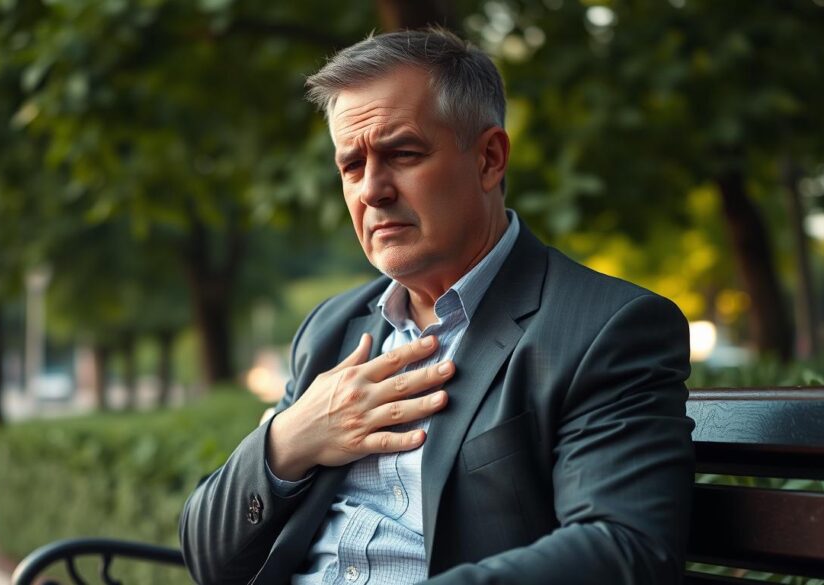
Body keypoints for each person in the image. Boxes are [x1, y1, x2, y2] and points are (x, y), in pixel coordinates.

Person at [180, 28, 694, 585]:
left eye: (402, 154)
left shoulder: (604, 329)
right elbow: (209, 560)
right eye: (351, 166)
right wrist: (287, 440)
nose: (372, 190)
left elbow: (625, 548)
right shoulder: (330, 331)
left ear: (490, 159)